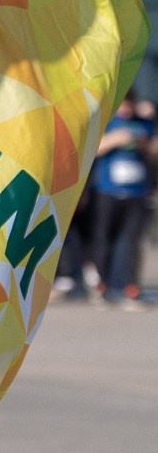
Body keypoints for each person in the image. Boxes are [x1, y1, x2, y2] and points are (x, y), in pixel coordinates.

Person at [87, 92, 152, 303]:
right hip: (108, 190)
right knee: (103, 237)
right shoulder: (107, 123)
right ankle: (101, 283)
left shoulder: (143, 123)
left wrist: (143, 144)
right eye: (123, 105)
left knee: (132, 240)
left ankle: (130, 286)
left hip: (137, 192)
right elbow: (92, 149)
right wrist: (115, 140)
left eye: (129, 105)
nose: (126, 109)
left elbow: (153, 150)